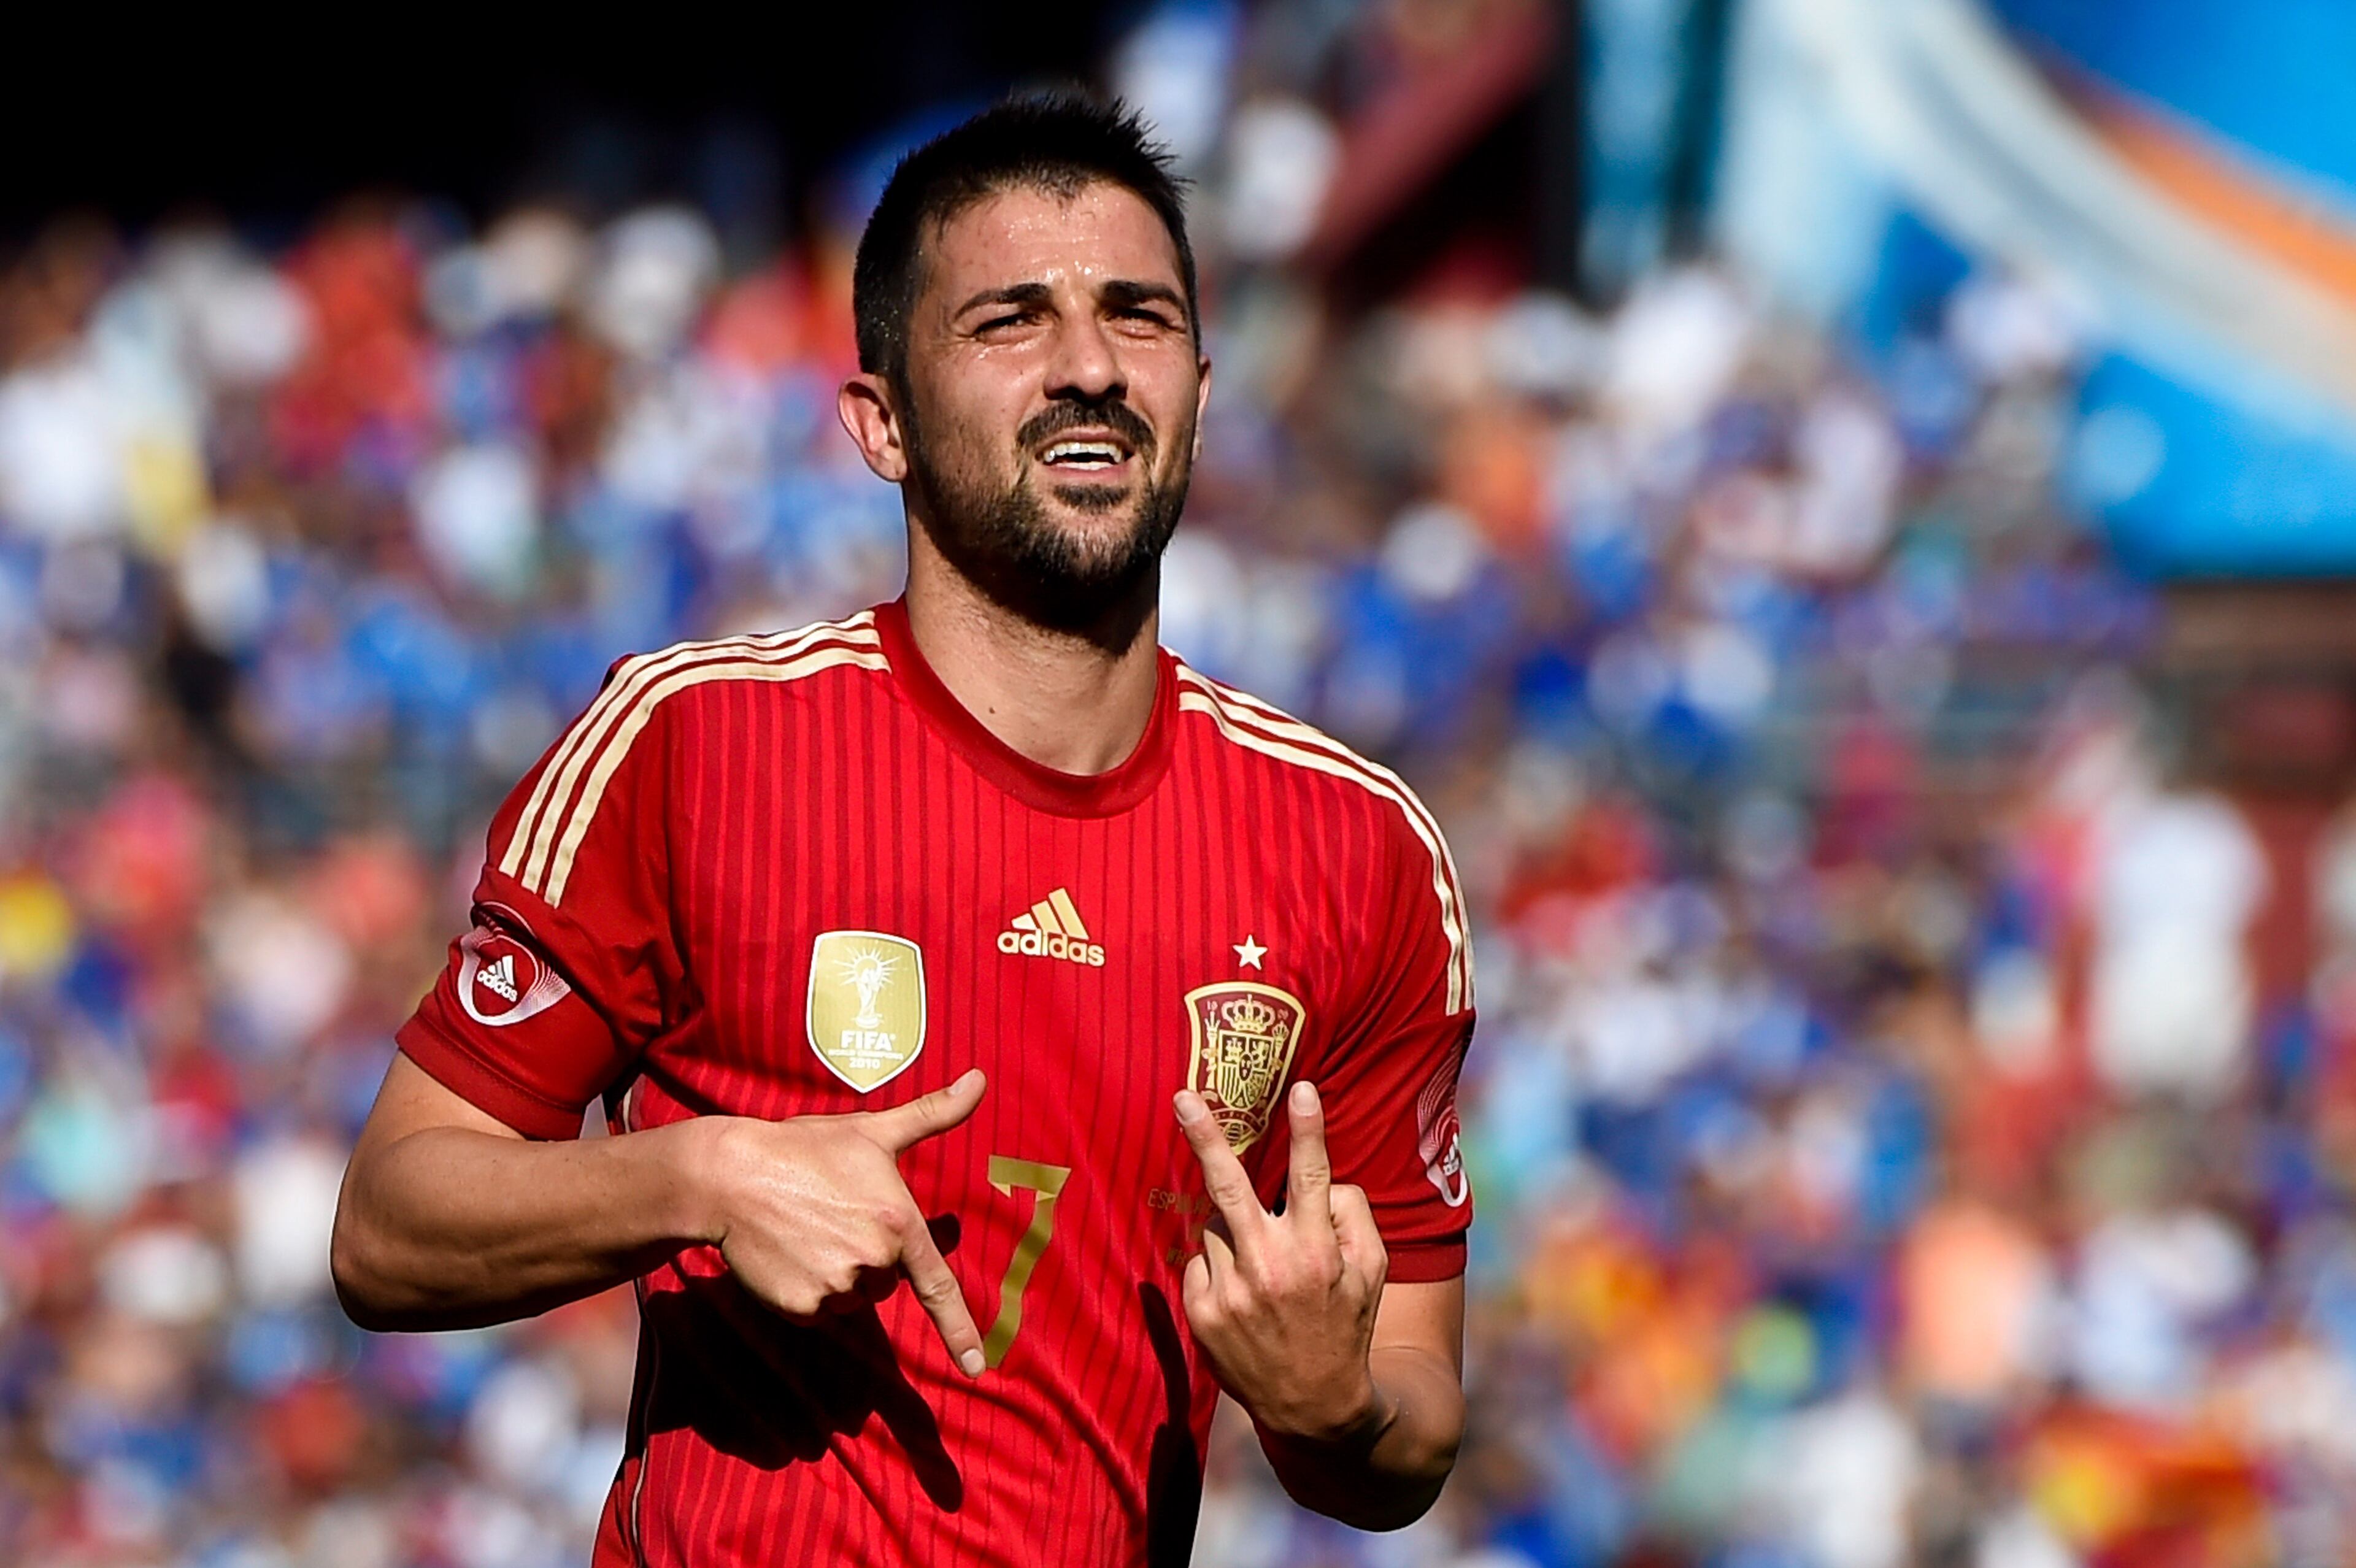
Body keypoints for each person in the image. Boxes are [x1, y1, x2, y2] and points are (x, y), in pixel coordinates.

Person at [329, 96, 1474, 1567]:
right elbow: (385, 1227)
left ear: (1198, 385)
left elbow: (1419, 1412)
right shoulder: (695, 743)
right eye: (1010, 322)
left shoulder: (1358, 847)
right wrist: (699, 1178)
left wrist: (1337, 1410)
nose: (1086, 369)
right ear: (881, 423)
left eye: (1137, 318)